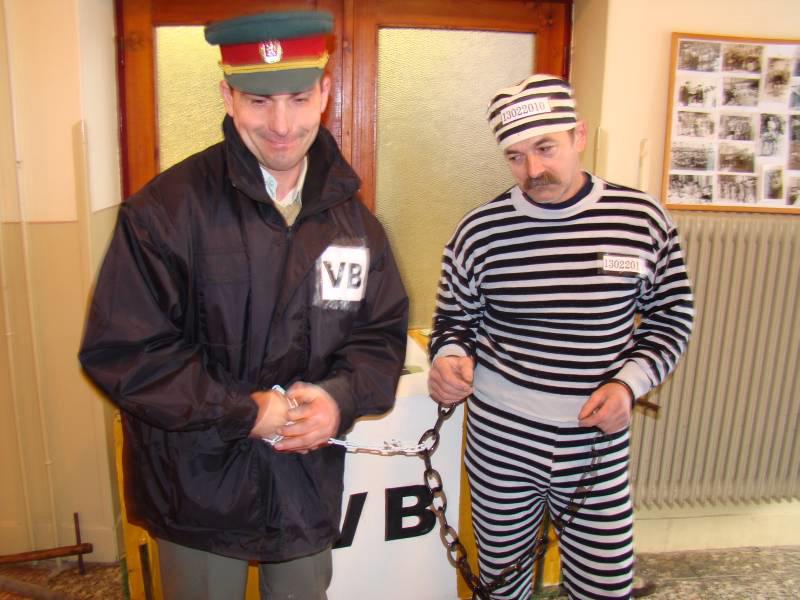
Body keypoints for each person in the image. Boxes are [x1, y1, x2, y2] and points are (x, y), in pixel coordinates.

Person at [79, 10, 408, 600]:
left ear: (325, 94)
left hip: (303, 479)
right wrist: (242, 411)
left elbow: (378, 337)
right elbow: (124, 351)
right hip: (194, 481)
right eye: (259, 101)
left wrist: (339, 400)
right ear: (227, 97)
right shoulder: (165, 212)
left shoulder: (354, 224)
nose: (282, 125)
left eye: (299, 99)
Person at [427, 74, 694, 600]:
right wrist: (449, 357)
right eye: (516, 156)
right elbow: (453, 320)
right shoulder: (479, 231)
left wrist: (628, 385)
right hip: (501, 438)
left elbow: (672, 315)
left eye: (546, 148)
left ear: (580, 136)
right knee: (502, 584)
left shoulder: (641, 220)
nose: (534, 170)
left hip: (595, 440)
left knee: (605, 584)